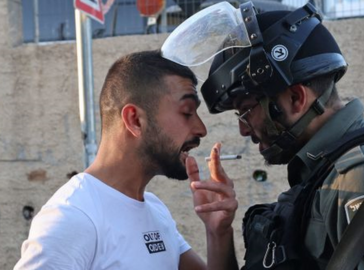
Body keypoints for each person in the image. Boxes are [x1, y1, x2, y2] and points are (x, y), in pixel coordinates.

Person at [161, 2, 364, 270]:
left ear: (295, 99)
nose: (243, 128)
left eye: (246, 111)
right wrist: (219, 231)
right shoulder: (326, 173)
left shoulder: (363, 178)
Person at [14, 50, 237, 270]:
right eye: (187, 112)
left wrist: (218, 232)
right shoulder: (73, 217)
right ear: (135, 120)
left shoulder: (155, 210)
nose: (201, 129)